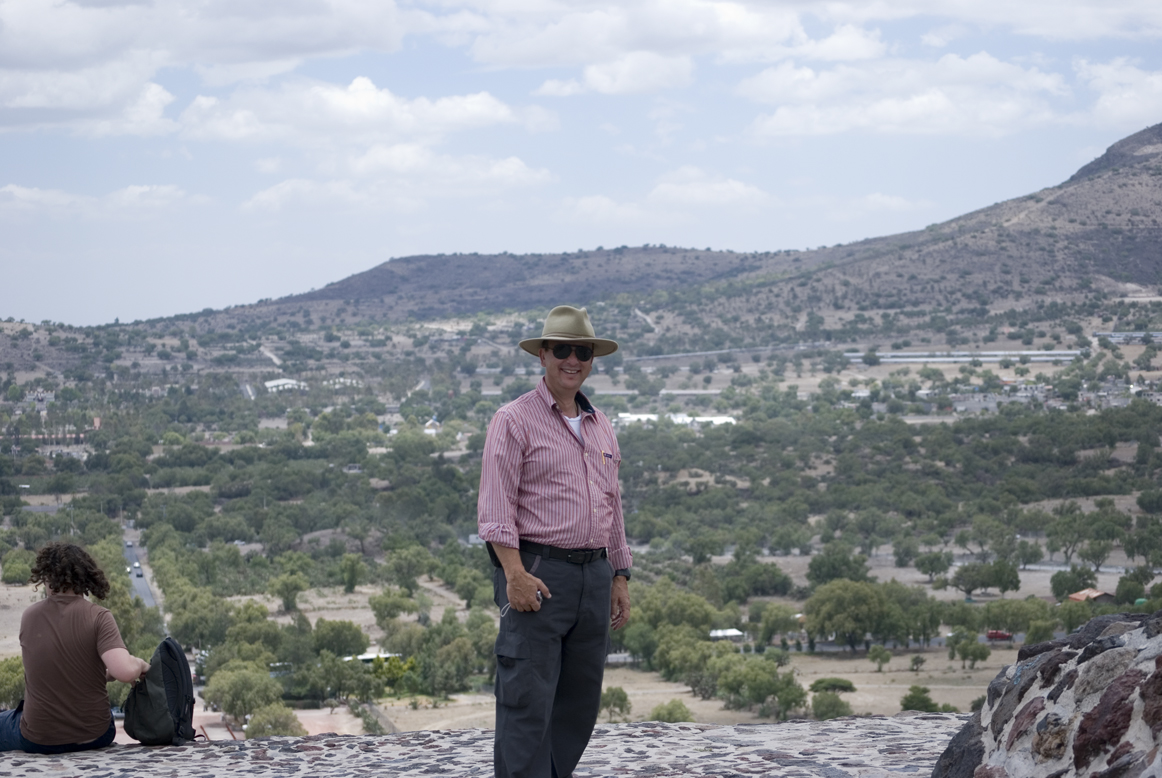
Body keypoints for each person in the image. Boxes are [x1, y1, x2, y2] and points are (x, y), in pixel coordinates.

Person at [478, 305, 632, 778]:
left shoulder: (600, 423)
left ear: (591, 358)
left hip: (593, 575)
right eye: (561, 349)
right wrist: (515, 576)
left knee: (578, 704)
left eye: (581, 351)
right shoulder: (514, 420)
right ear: (542, 355)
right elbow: (495, 508)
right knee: (527, 702)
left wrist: (620, 574)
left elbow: (612, 506)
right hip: (538, 575)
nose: (572, 359)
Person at [0, 542, 150, 754]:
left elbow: (49, 672)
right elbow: (125, 671)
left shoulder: (29, 616)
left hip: (39, 738)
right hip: (96, 735)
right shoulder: (98, 616)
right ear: (84, 578)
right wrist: (140, 664)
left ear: (46, 578)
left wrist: (108, 673)